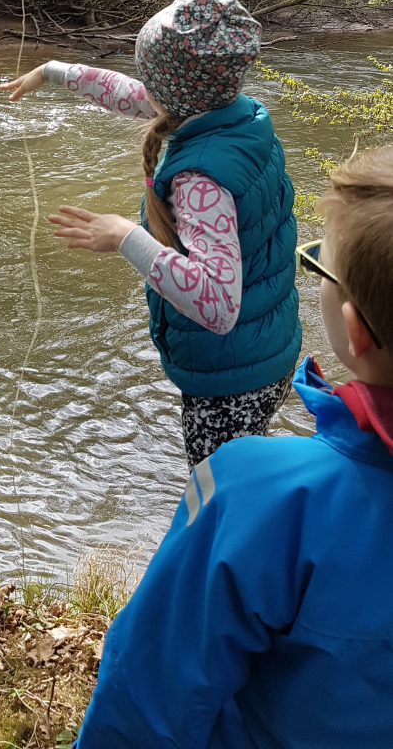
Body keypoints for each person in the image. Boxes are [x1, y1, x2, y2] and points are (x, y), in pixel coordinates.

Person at [72, 144, 393, 748]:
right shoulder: (252, 134)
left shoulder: (256, 490)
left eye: (320, 265)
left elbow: (149, 697)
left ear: (354, 329)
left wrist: (126, 239)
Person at [0, 0, 301, 467]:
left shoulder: (199, 180)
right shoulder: (237, 114)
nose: (143, 89)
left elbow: (218, 306)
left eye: (150, 77)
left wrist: (124, 236)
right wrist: (52, 72)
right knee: (248, 480)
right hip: (267, 347)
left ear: (174, 88)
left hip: (231, 379)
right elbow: (131, 94)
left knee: (216, 496)